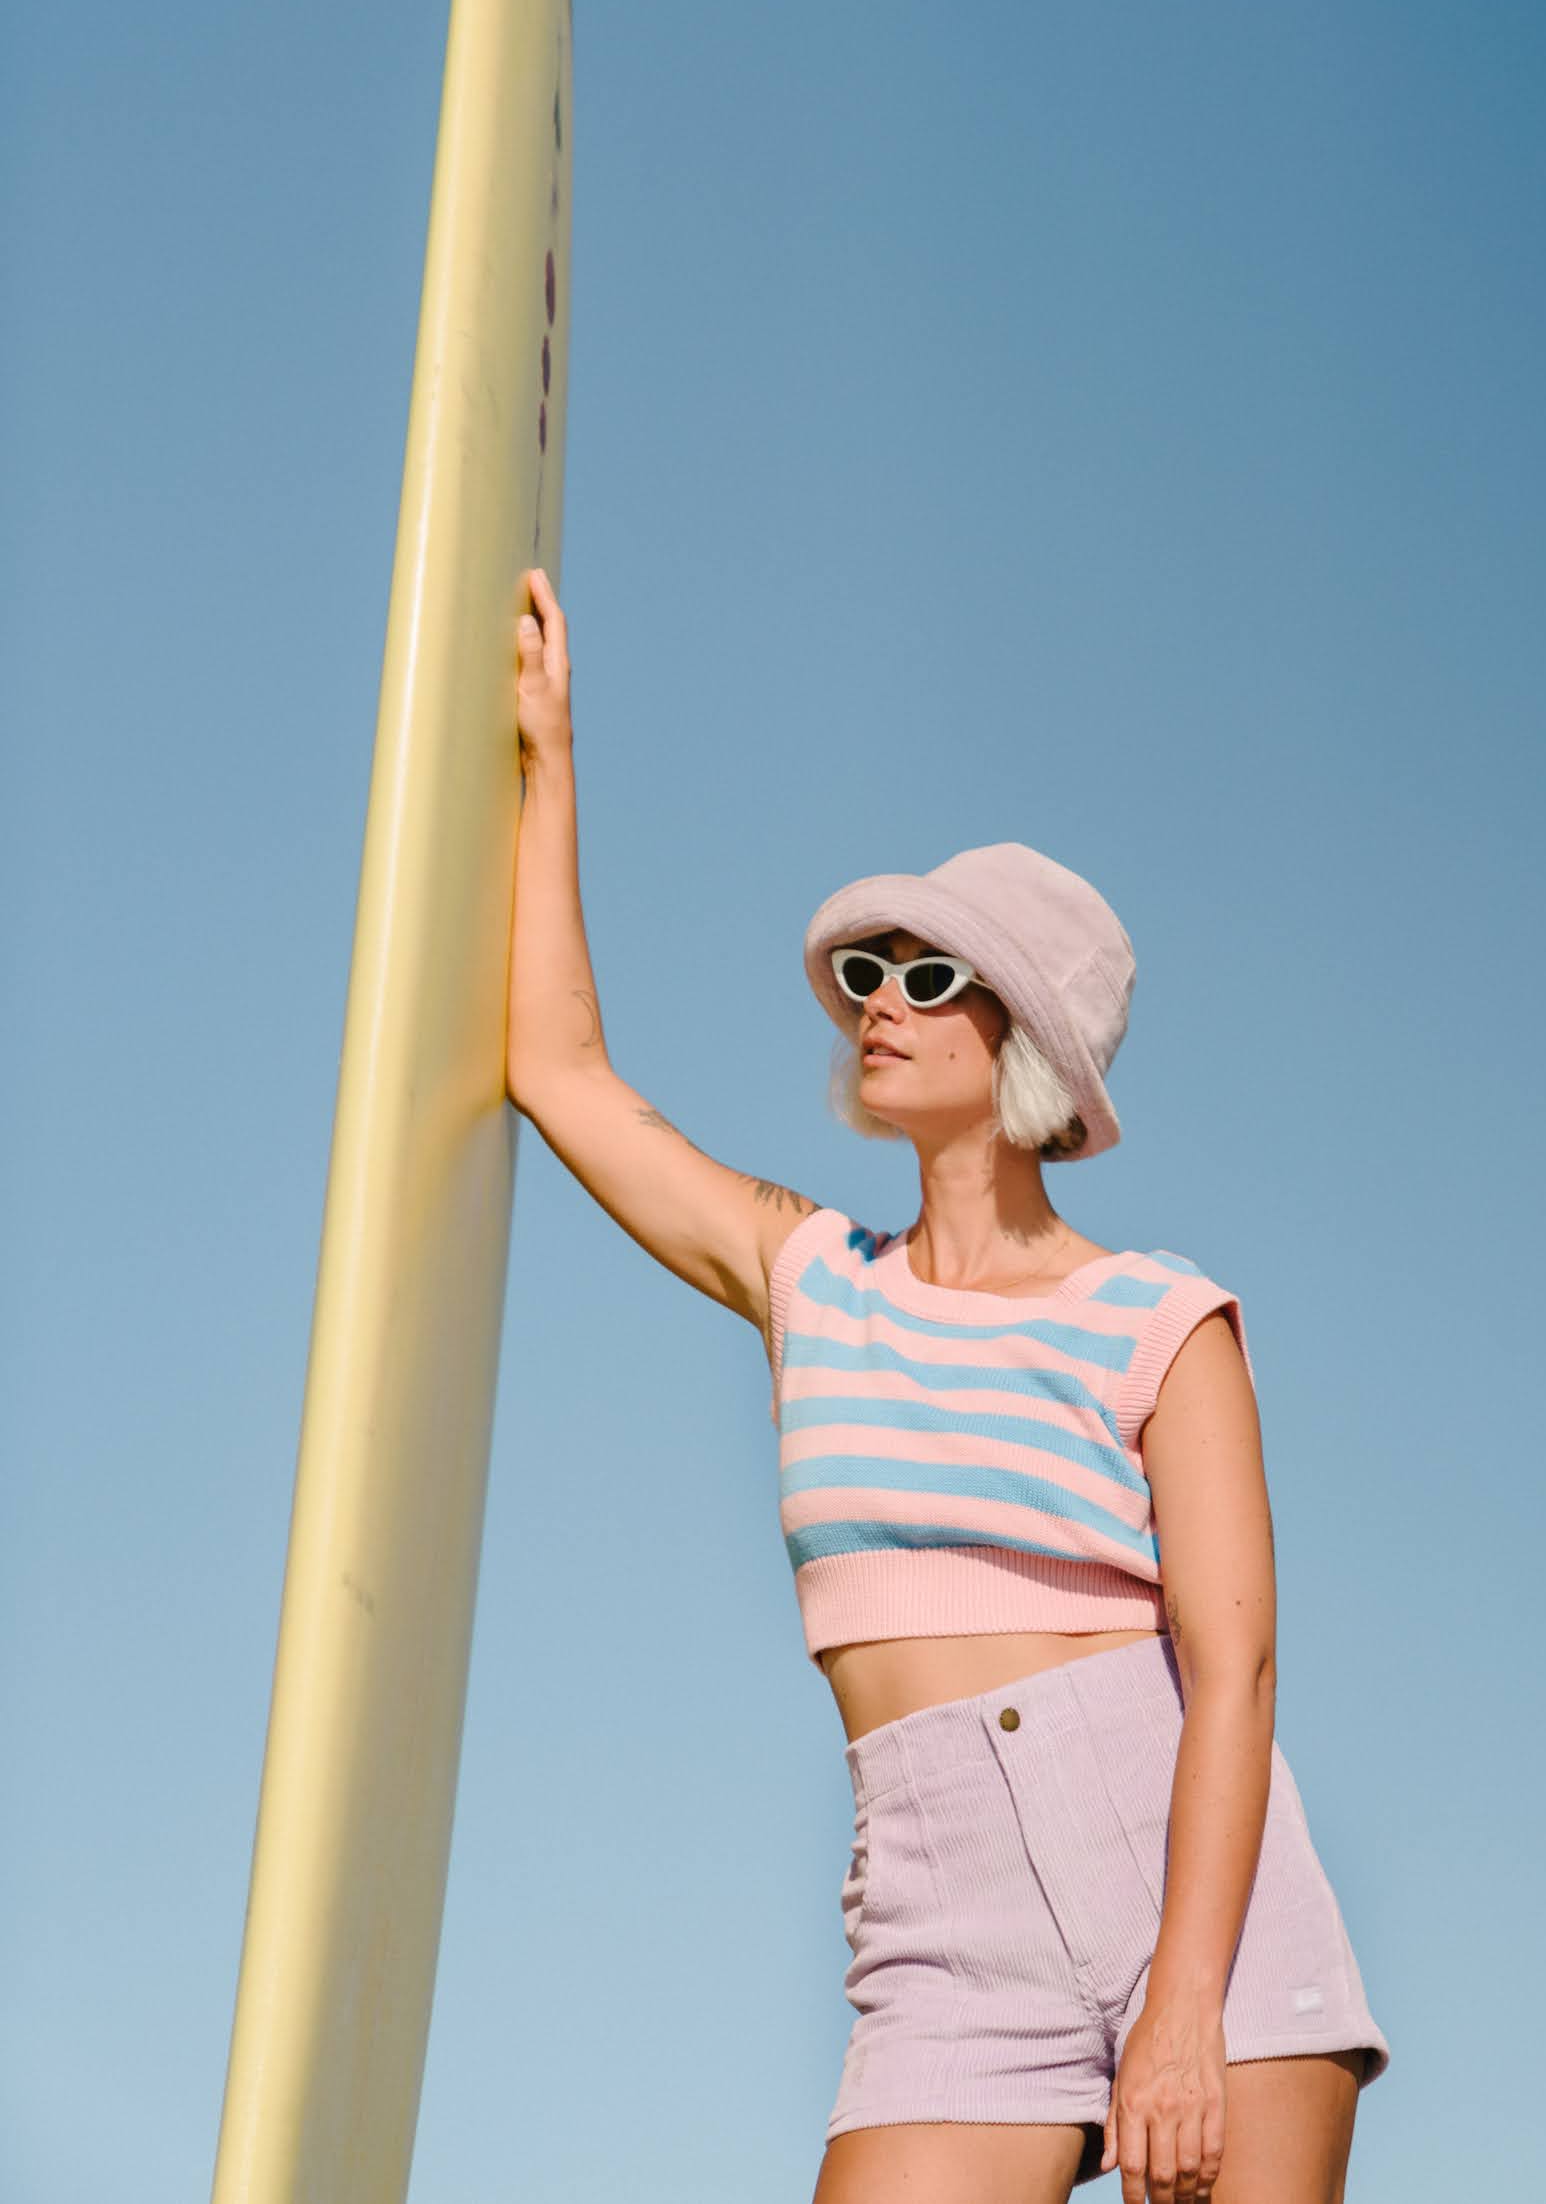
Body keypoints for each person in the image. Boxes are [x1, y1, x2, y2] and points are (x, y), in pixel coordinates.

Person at [507, 565, 1390, 2202]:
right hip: (939, 1922)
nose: (880, 1007)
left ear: (1027, 1043)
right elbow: (559, 1076)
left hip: (1186, 1882)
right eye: (869, 974)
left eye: (930, 978)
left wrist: (1182, 2006)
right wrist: (546, 764)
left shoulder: (1160, 1319)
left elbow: (1238, 1665)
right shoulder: (808, 1277)